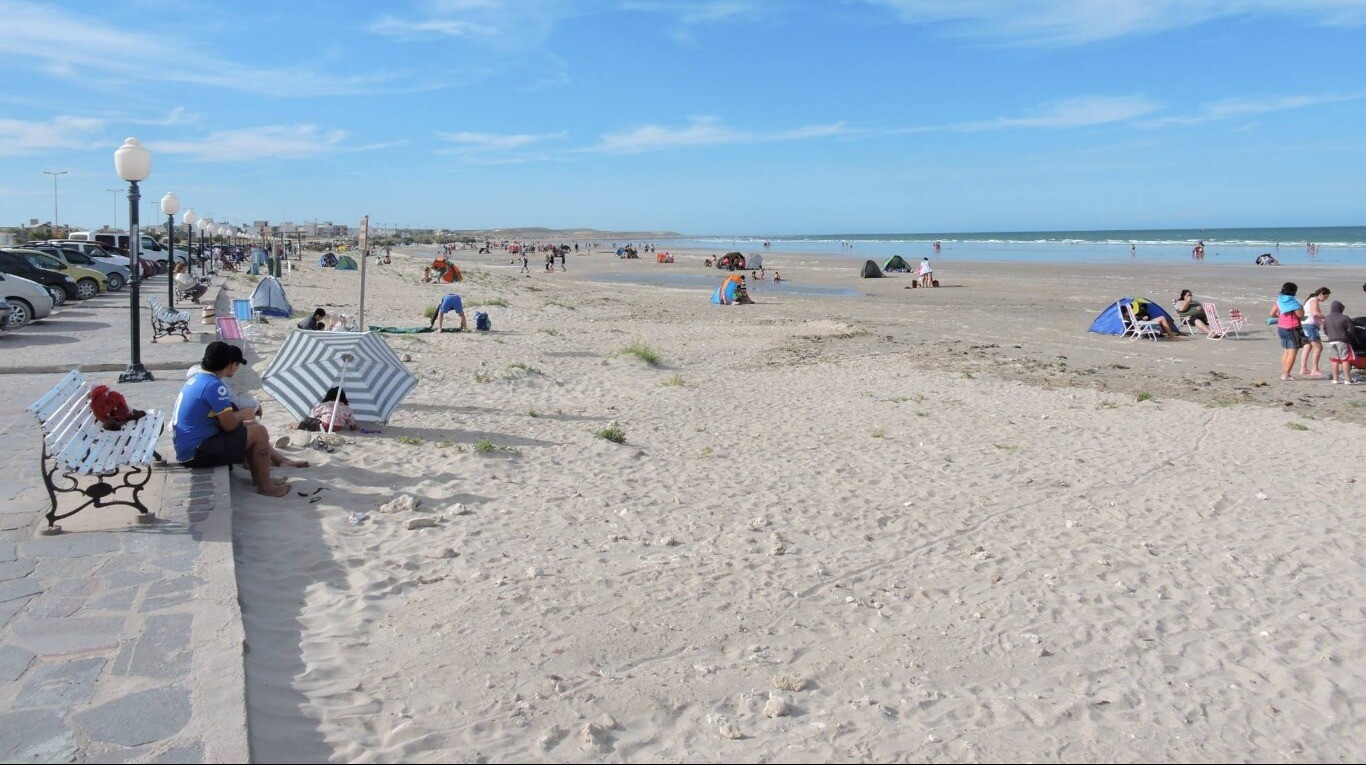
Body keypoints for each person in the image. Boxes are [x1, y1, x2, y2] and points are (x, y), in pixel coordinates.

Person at [171, 342, 303, 497]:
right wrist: (244, 413)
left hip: (187, 448)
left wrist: (242, 418)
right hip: (196, 452)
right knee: (259, 432)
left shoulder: (198, 379)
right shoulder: (214, 385)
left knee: (251, 428)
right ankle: (266, 487)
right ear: (229, 365)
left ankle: (262, 479)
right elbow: (229, 426)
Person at [1270, 282, 1306, 381]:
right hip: (1292, 328)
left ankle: (1284, 372)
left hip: (1281, 327)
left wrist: (1281, 316)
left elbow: (1272, 314)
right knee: (1292, 352)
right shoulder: (1293, 302)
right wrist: (1301, 308)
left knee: (1286, 351)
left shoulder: (1279, 300)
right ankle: (1286, 374)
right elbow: (1300, 315)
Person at [1323, 300, 1357, 385]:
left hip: (1331, 341)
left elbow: (1325, 330)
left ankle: (1335, 379)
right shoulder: (1345, 317)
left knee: (1335, 360)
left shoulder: (1327, 318)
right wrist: (1349, 338)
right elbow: (1351, 331)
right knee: (1345, 360)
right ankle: (1348, 380)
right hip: (1342, 340)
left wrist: (1330, 336)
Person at [1300, 287, 1330, 378]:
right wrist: (1328, 317)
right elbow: (1316, 313)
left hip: (1304, 324)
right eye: (1326, 296)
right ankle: (1315, 369)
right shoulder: (1314, 300)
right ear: (1321, 294)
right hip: (1310, 326)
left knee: (1308, 346)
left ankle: (1303, 368)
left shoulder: (1310, 300)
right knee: (1318, 348)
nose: (1326, 299)